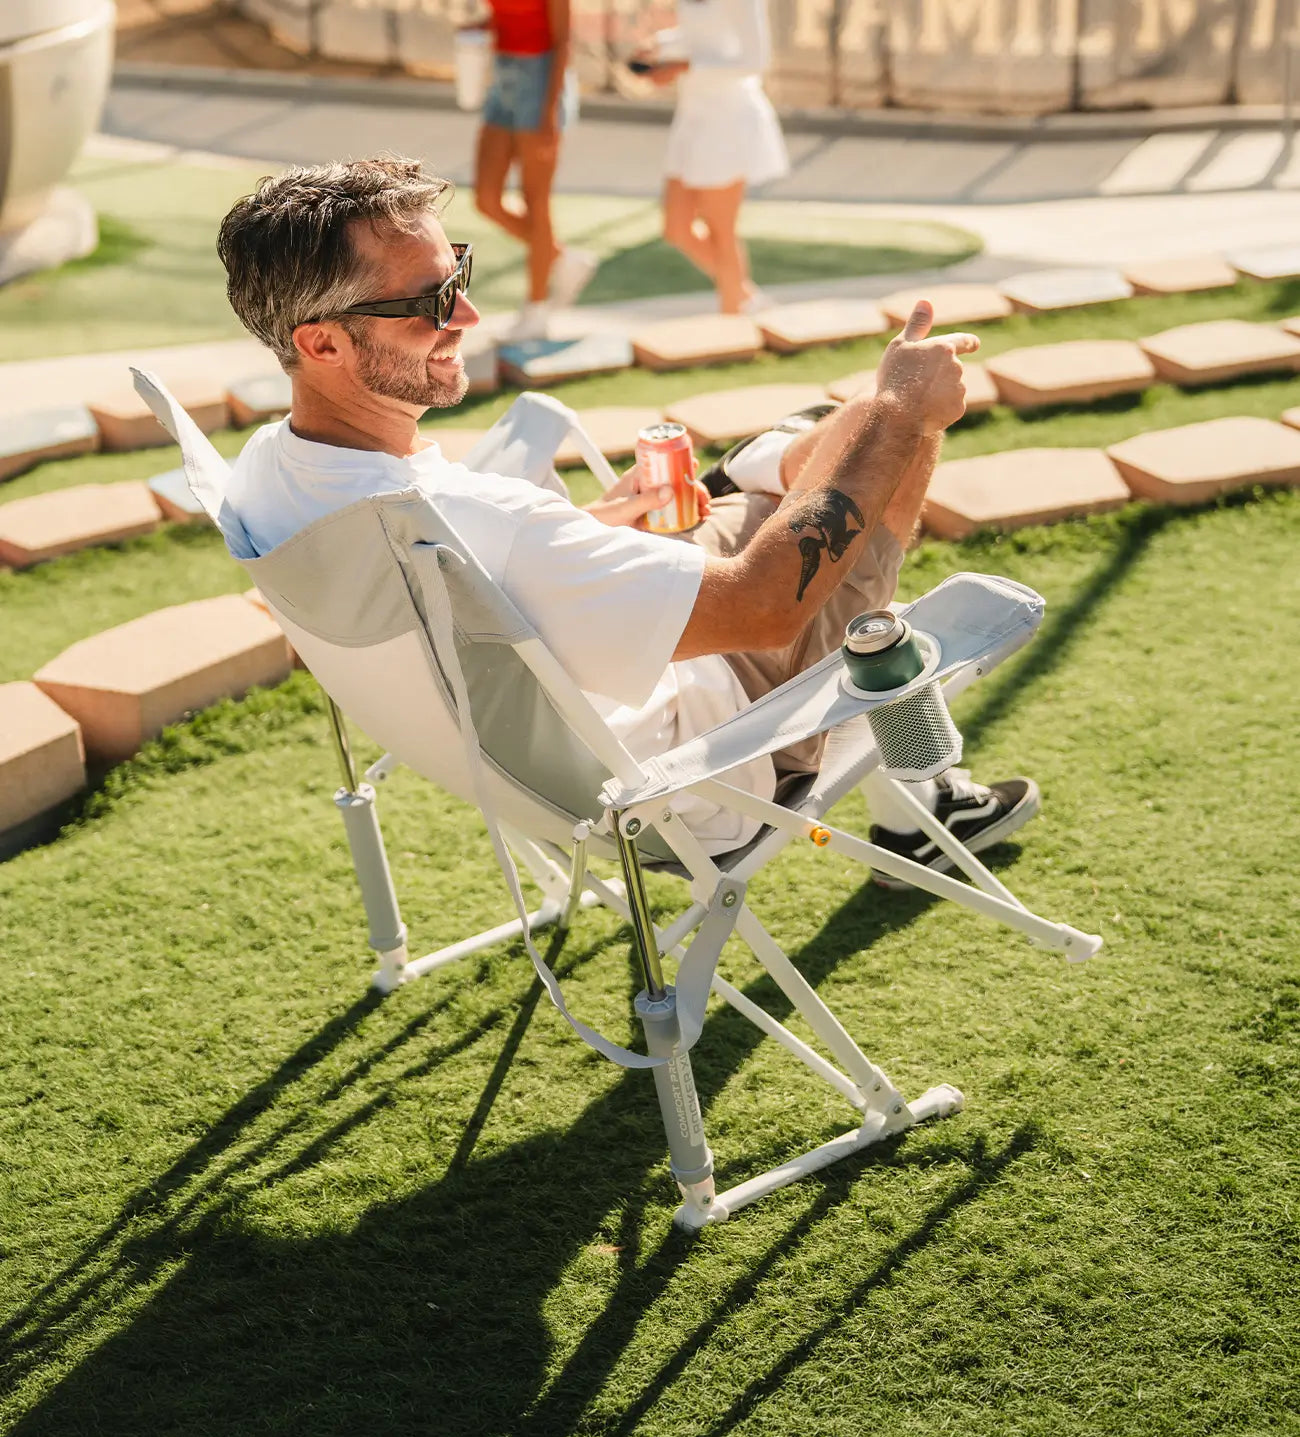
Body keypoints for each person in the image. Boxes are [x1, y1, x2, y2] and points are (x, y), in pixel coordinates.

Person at [215, 156, 1038, 875]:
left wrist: (582, 539)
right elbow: (763, 608)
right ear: (322, 345)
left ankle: (780, 461)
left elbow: (485, 578)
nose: (466, 316)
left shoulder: (271, 475)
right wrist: (899, 411)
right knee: (878, 443)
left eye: (457, 275)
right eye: (429, 302)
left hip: (557, 765)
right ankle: (920, 815)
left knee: (822, 447)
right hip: (706, 772)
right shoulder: (484, 522)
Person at [634, 0, 788, 315]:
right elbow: (702, 33)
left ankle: (735, 313)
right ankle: (746, 297)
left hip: (728, 120)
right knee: (676, 227)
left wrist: (684, 66)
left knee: (720, 229)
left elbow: (754, 61)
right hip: (693, 115)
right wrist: (660, 46)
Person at [469, 0, 596, 342]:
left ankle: (537, 311)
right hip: (502, 75)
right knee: (486, 199)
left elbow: (563, 40)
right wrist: (483, 28)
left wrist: (550, 110)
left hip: (540, 81)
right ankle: (560, 257)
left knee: (535, 202)